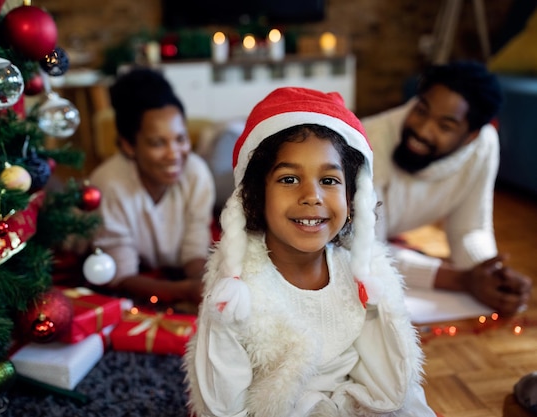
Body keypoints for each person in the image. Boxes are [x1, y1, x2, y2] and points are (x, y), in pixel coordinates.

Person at [184, 87, 435, 416]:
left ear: (352, 196)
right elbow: (221, 406)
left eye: (329, 181)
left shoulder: (364, 277)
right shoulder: (234, 294)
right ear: (256, 194)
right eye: (289, 179)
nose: (311, 196)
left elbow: (395, 384)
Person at [361, 61, 532, 317]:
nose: (422, 130)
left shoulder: (483, 145)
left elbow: (469, 229)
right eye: (421, 110)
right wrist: (462, 280)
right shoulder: (367, 142)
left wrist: (491, 275)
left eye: (445, 126)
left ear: (471, 136)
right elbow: (368, 253)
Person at [88, 67, 215, 306]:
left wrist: (204, 284)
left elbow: (195, 245)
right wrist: (185, 291)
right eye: (158, 143)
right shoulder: (109, 184)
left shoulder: (196, 172)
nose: (174, 154)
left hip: (175, 277)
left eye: (181, 139)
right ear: (128, 145)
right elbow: (120, 275)